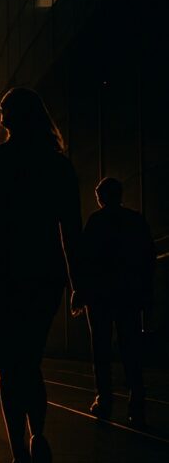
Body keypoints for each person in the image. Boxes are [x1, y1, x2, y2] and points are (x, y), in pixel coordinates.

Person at [0, 87, 81, 463]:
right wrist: (76, 280)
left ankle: (18, 456)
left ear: (16, 116)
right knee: (28, 362)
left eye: (4, 111)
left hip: (1, 276)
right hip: (44, 275)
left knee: (7, 368)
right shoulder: (58, 166)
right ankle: (39, 435)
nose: (0, 117)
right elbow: (71, 229)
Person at [73, 177, 155, 427]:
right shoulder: (135, 221)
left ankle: (104, 399)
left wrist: (80, 291)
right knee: (131, 347)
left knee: (101, 348)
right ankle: (137, 402)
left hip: (100, 298)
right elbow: (147, 258)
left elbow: (84, 259)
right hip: (129, 295)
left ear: (101, 197)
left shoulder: (96, 222)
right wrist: (145, 293)